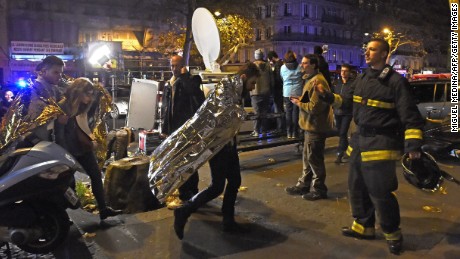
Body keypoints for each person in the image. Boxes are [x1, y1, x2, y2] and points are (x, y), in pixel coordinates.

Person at [340, 39, 424, 255]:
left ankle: (393, 234)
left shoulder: (396, 82)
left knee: (380, 193)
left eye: (372, 49)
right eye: (366, 49)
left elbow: (411, 117)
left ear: (385, 53)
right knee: (356, 187)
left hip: (381, 143)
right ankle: (363, 227)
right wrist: (325, 96)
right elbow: (347, 104)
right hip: (359, 142)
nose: (366, 53)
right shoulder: (363, 78)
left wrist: (413, 145)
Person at [173, 62, 261, 240]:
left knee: (234, 181)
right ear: (243, 78)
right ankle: (185, 210)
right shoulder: (226, 88)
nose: (253, 88)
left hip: (228, 144)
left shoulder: (234, 90)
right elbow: (219, 116)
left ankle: (228, 221)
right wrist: (239, 115)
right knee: (217, 186)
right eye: (252, 83)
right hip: (220, 146)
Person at [54, 78, 122, 221]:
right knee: (67, 183)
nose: (90, 98)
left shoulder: (82, 106)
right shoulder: (63, 106)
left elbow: (85, 126)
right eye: (88, 94)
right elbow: (60, 134)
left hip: (83, 148)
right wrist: (64, 155)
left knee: (96, 175)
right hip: (69, 151)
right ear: (78, 92)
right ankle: (63, 216)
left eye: (91, 94)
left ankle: (103, 209)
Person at [285, 54, 334, 201]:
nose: (302, 65)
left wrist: (299, 103)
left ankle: (319, 189)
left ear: (313, 65)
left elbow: (314, 108)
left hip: (315, 127)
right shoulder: (310, 80)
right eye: (302, 62)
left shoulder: (318, 81)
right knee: (307, 157)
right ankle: (304, 185)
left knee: (314, 159)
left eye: (305, 63)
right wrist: (300, 100)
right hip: (309, 125)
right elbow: (308, 100)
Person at [161, 54, 205, 201]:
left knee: (190, 160)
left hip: (187, 128)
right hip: (174, 130)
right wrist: (164, 129)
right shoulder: (169, 83)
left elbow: (194, 93)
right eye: (172, 66)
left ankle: (193, 190)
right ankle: (184, 192)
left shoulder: (192, 80)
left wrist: (184, 76)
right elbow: (166, 108)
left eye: (177, 66)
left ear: (183, 66)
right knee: (178, 162)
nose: (174, 69)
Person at [17, 56, 65, 147]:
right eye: (56, 72)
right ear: (43, 71)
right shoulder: (31, 89)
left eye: (61, 73)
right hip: (31, 143)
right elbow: (26, 120)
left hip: (46, 142)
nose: (60, 76)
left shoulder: (53, 89)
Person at [333, 64, 354, 163]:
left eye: (345, 71)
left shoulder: (352, 84)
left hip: (347, 112)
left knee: (343, 132)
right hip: (337, 112)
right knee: (341, 133)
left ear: (349, 73)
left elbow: (350, 98)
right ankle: (346, 149)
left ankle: (340, 153)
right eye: (342, 71)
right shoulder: (338, 83)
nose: (343, 73)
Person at [280, 50, 303, 139]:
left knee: (288, 112)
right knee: (296, 112)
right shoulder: (300, 67)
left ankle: (289, 132)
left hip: (287, 92)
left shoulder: (283, 67)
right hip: (297, 91)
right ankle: (295, 132)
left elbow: (282, 78)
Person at [250, 49, 273, 137]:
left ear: (255, 56)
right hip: (266, 92)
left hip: (255, 92)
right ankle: (264, 130)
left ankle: (256, 130)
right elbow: (272, 80)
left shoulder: (252, 66)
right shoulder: (268, 66)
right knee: (264, 112)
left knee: (256, 112)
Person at [267, 50, 285, 134]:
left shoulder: (278, 65)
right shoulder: (282, 63)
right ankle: (281, 127)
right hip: (282, 89)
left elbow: (277, 79)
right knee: (280, 109)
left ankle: (280, 128)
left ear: (272, 58)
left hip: (278, 90)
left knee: (278, 109)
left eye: (270, 59)